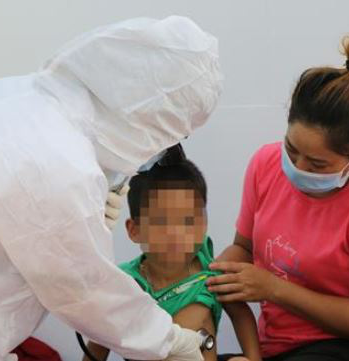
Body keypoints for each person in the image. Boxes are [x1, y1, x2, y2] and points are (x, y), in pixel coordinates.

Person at [0, 16, 222, 361]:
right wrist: (170, 340)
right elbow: (85, 290)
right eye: (173, 134)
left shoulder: (7, 99)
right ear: (150, 117)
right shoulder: (61, 163)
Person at [206, 35, 349, 361]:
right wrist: (212, 275)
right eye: (291, 150)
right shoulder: (265, 164)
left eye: (317, 164)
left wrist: (274, 289)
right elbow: (244, 248)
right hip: (276, 347)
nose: (298, 168)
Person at [82, 147, 261, 361]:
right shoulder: (126, 284)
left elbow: (242, 316)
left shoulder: (211, 276)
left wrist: (253, 358)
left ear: (204, 224)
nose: (177, 234)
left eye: (188, 221)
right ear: (134, 230)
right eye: (161, 222)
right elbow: (100, 341)